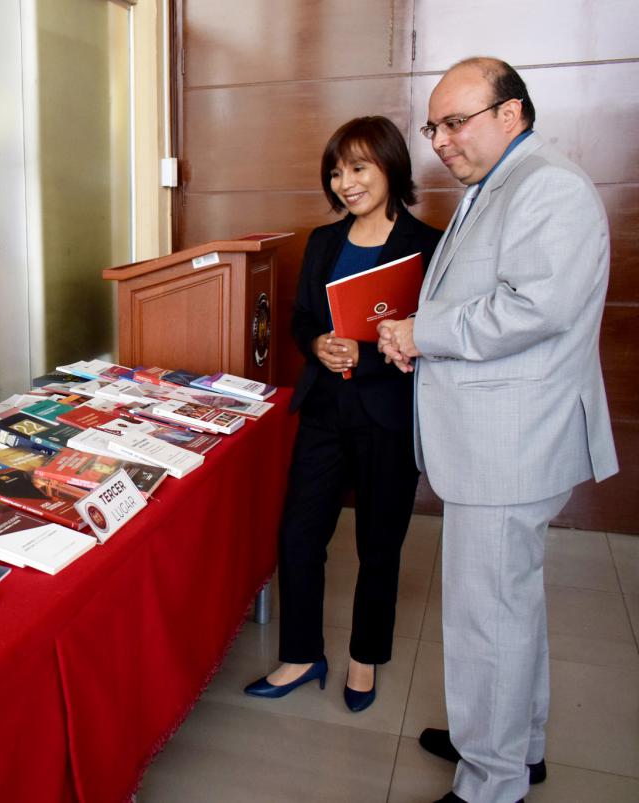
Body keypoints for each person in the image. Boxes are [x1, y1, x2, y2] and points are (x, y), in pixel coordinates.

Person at [377, 57, 617, 803]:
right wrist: (418, 334)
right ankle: (514, 744)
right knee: (509, 607)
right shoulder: (500, 183)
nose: (441, 141)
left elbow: (532, 307)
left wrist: (421, 333)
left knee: (489, 616)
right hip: (499, 437)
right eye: (434, 127)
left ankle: (490, 783)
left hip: (511, 441)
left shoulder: (547, 186)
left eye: (456, 122)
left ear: (510, 114)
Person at [243, 117, 441, 712]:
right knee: (299, 534)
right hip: (325, 410)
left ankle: (364, 658)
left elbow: (434, 336)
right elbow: (303, 319)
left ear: (390, 166)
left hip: (389, 416)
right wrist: (318, 344)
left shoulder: (429, 246)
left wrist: (366, 355)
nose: (345, 182)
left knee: (380, 545)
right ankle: (302, 654)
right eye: (335, 171)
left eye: (358, 167)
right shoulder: (324, 241)